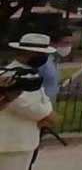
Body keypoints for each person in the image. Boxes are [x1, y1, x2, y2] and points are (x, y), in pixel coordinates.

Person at [0, 33, 57, 170]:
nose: (43, 57)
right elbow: (28, 105)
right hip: (12, 142)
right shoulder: (10, 74)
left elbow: (44, 98)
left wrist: (47, 110)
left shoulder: (32, 73)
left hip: (25, 140)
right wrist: (47, 113)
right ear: (26, 52)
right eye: (39, 53)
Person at [36, 29, 73, 102]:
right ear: (52, 43)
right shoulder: (42, 63)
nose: (69, 46)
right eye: (66, 43)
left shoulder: (55, 62)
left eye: (70, 43)